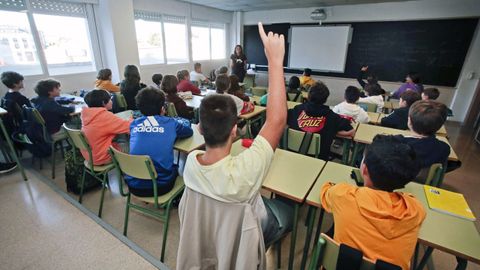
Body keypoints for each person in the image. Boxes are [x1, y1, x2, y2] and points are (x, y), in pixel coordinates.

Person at [183, 22, 292, 245]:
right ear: (235, 130)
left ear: (200, 128)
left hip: (212, 235)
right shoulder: (246, 169)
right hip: (246, 238)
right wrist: (275, 62)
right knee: (286, 211)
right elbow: (277, 121)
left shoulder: (190, 163)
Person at [321, 134, 425, 270]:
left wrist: (333, 185)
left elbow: (326, 191)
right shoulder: (415, 209)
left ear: (364, 169)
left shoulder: (343, 195)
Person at [127, 87, 193, 197]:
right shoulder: (170, 123)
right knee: (176, 167)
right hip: (161, 186)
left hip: (133, 186)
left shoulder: (134, 124)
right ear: (162, 108)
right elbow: (189, 132)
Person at [288, 82, 355, 160]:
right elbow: (351, 130)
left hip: (292, 154)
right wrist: (334, 131)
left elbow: (283, 119)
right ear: (325, 99)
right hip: (319, 160)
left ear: (308, 95)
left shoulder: (297, 109)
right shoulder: (332, 117)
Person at [398, 100, 450, 179]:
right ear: (440, 126)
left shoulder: (396, 143)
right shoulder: (444, 148)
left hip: (393, 184)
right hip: (423, 186)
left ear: (409, 121)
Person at [81, 90, 132, 165]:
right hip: (104, 157)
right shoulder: (104, 116)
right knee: (133, 143)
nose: (112, 101)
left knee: (120, 135)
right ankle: (132, 169)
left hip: (90, 156)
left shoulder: (87, 115)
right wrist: (131, 118)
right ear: (103, 102)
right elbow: (129, 127)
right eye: (110, 99)